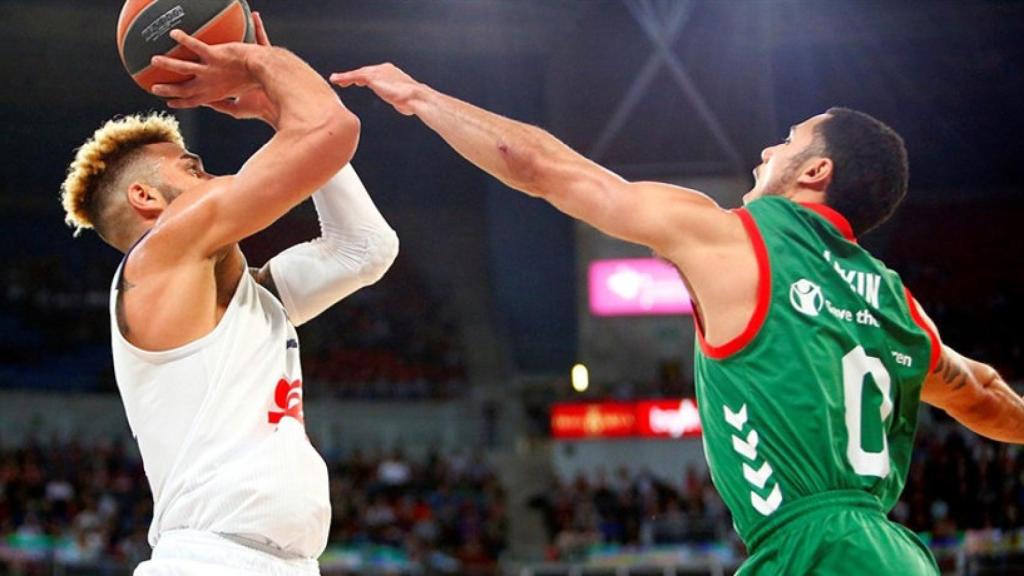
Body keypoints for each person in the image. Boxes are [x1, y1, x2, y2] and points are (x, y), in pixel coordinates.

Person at [331, 63, 1024, 574]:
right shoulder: (896, 300)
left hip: (812, 552)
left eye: (784, 143)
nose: (765, 153)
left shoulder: (736, 238)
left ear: (815, 172)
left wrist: (422, 98)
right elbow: (986, 397)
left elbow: (545, 168)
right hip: (897, 554)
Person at [60, 16, 399, 575]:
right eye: (193, 169)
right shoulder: (161, 252)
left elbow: (365, 249)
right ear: (146, 196)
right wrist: (256, 63)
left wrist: (274, 110)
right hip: (210, 559)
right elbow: (330, 129)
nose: (216, 176)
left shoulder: (247, 299)